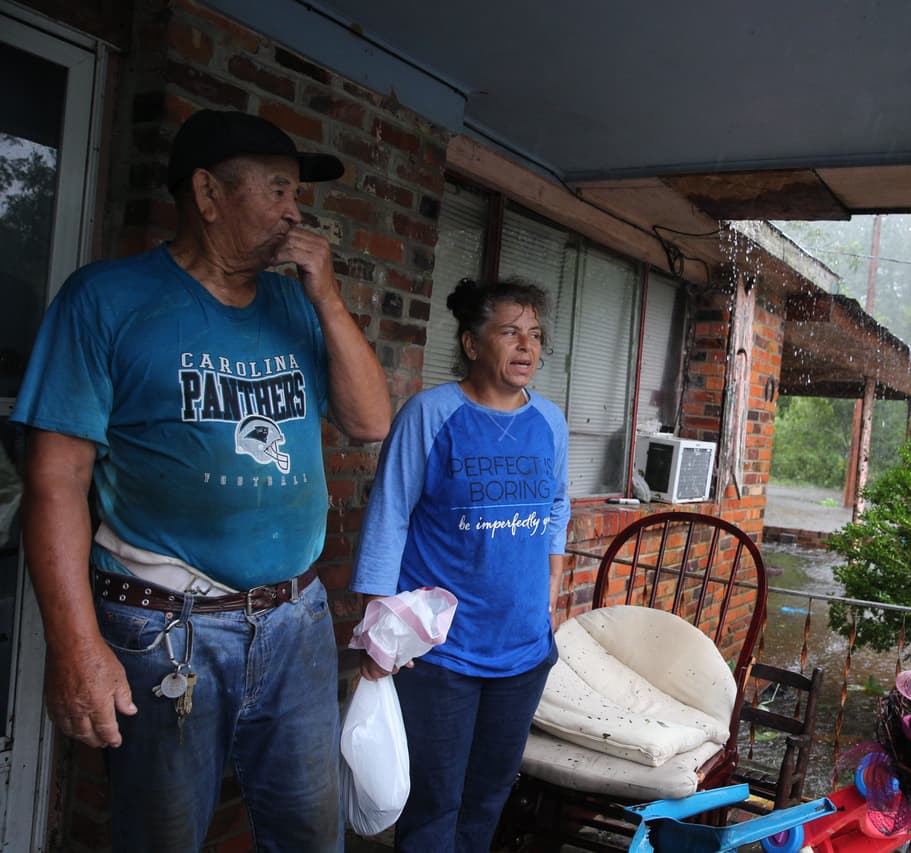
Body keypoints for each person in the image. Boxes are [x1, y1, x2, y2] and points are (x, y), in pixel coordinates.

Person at [14, 109, 391, 852]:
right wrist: (76, 645)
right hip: (163, 627)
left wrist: (327, 298)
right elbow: (55, 481)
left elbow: (371, 420)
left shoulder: (293, 303)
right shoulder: (106, 301)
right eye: (278, 189)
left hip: (295, 619)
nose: (295, 209)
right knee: (163, 837)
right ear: (209, 194)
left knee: (313, 835)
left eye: (295, 192)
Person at [351, 277, 569, 852]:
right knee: (433, 803)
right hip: (441, 649)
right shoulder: (431, 413)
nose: (526, 347)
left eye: (535, 335)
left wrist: (552, 573)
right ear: (473, 344)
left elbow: (556, 502)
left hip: (522, 648)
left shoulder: (550, 421)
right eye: (509, 332)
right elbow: (391, 512)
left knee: (488, 797)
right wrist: (379, 631)